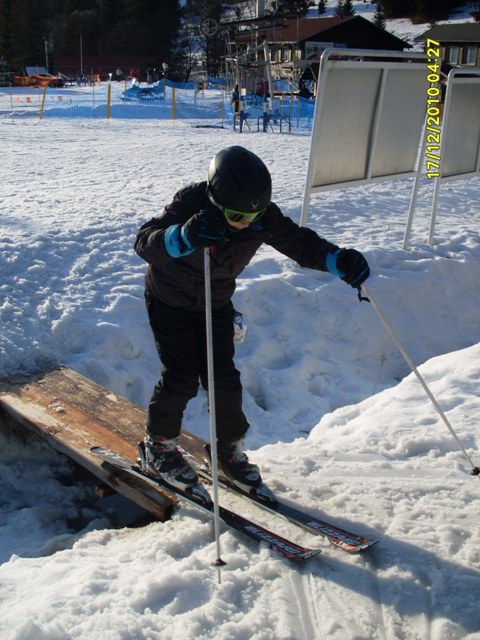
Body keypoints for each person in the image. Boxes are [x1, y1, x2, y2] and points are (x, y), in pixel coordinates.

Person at [134, 146, 370, 492]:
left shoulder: (260, 217)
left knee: (224, 379)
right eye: (237, 215)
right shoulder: (190, 203)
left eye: (255, 215)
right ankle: (158, 449)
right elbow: (145, 243)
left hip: (215, 302)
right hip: (169, 301)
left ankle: (227, 451)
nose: (247, 222)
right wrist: (183, 236)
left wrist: (338, 260)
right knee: (181, 378)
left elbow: (299, 243)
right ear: (216, 199)